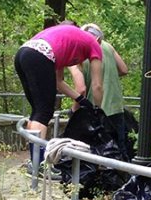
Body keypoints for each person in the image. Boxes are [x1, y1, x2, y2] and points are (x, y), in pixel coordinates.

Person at [14, 21, 103, 168]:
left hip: (23, 53)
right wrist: (97, 111)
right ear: (99, 39)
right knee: (44, 111)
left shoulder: (67, 40)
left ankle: (34, 162)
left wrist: (80, 99)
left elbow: (58, 81)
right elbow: (97, 85)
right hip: (40, 55)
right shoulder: (93, 44)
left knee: (37, 111)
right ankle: (39, 165)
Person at [72, 23, 132, 159]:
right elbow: (124, 69)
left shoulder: (80, 54)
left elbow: (81, 89)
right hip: (116, 106)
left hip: (95, 109)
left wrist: (74, 110)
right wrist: (109, 75)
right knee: (119, 147)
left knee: (96, 149)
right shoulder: (108, 46)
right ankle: (125, 177)